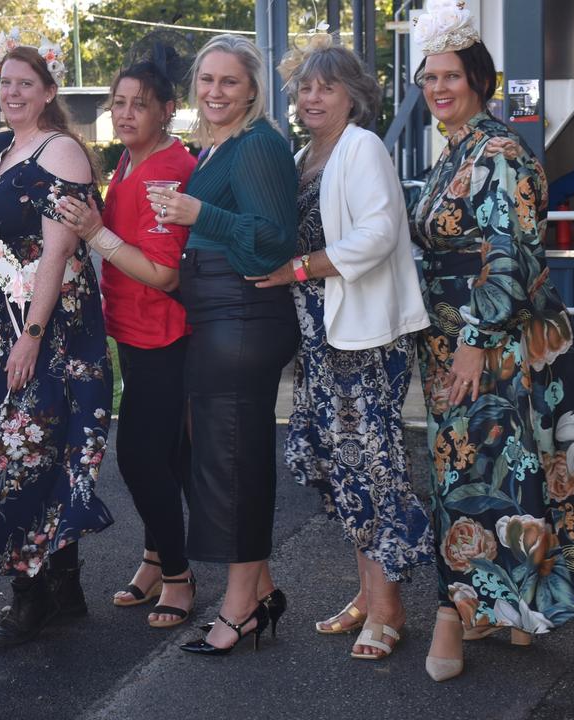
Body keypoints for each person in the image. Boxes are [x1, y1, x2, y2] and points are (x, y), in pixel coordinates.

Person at [407, 0, 574, 681]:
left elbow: (510, 254)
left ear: (478, 78)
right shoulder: (459, 147)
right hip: (458, 341)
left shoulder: (499, 149)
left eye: (450, 75)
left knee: (466, 481)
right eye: (429, 78)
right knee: (500, 478)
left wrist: (476, 340)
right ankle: (505, 610)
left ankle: (452, 616)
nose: (438, 88)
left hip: (494, 346)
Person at [249, 38, 433, 659]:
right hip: (322, 341)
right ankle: (365, 593)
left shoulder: (362, 147)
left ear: (354, 95)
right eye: (304, 87)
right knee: (345, 468)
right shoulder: (305, 155)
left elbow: (379, 234)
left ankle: (388, 609)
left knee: (375, 470)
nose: (311, 96)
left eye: (326, 86)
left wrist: (296, 269)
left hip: (363, 340)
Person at [145, 34, 298, 655]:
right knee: (223, 458)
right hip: (220, 318)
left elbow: (271, 240)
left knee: (232, 464)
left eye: (228, 82)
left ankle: (240, 610)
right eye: (206, 80)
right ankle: (257, 589)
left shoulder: (259, 145)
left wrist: (195, 216)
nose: (214, 92)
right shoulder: (219, 149)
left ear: (253, 90)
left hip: (245, 317)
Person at [0, 36, 114, 648]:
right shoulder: (1, 149)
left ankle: (30, 599)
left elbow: (56, 255)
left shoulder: (63, 154)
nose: (12, 92)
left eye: (26, 82)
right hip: (2, 328)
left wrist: (30, 336)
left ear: (49, 91)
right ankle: (64, 589)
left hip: (51, 334)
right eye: (4, 82)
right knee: (38, 454)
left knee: (18, 459)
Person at [57, 55, 198, 628]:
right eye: (119, 102)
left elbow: (163, 273)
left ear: (168, 110)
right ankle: (154, 557)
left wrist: (96, 234)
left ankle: (179, 576)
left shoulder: (169, 168)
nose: (126, 112)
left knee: (141, 458)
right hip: (135, 334)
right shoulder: (132, 160)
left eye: (141, 103)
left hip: (166, 335)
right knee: (162, 456)